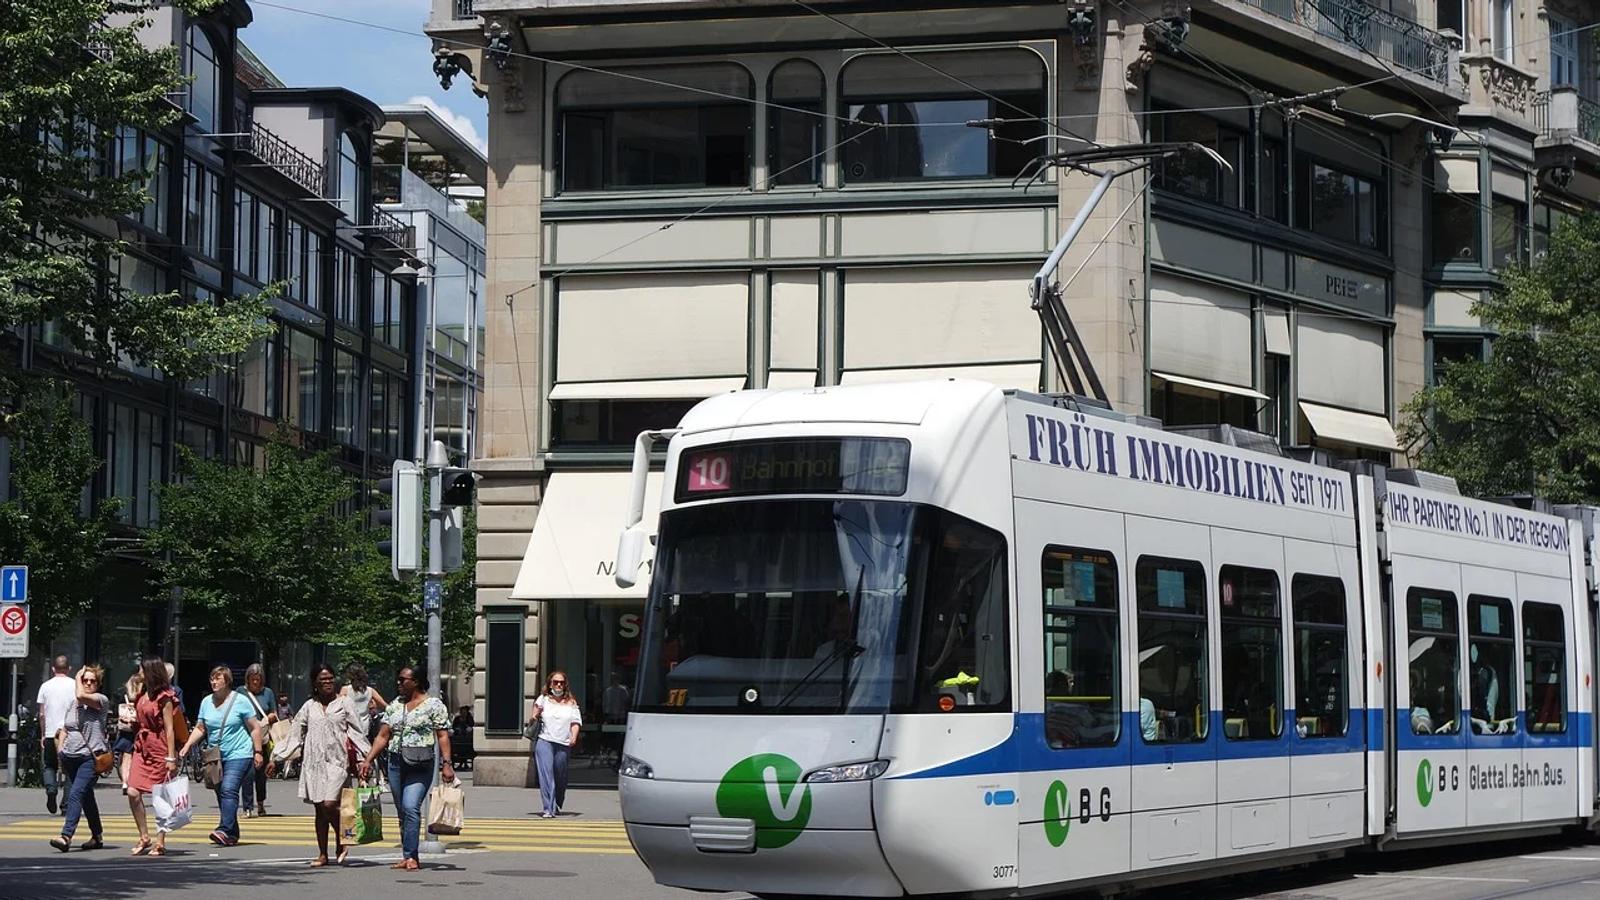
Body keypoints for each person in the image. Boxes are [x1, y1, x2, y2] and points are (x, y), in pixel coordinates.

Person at [267, 664, 370, 867]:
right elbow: (294, 735)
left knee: (329, 804)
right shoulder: (309, 706)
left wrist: (364, 758)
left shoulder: (344, 703)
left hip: (337, 762)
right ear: (315, 683)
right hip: (314, 764)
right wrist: (275, 758)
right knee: (319, 810)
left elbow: (357, 733)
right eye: (323, 680)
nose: (328, 683)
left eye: (330, 678)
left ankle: (344, 837)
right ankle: (323, 854)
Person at [359, 664, 454, 871]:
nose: (399, 683)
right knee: (402, 810)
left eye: (403, 680)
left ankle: (411, 856)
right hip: (395, 763)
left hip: (420, 764)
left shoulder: (433, 705)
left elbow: (443, 735)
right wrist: (368, 760)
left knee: (411, 807)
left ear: (416, 682)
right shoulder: (395, 704)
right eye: (399, 679)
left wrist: (447, 764)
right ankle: (407, 855)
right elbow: (383, 736)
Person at [177, 666, 264, 846]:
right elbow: (201, 727)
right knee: (221, 792)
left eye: (218, 679)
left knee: (228, 789)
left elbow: (255, 728)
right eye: (212, 678)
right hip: (216, 756)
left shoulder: (241, 701)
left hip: (240, 753)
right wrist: (187, 745)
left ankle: (224, 829)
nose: (214, 682)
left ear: (227, 681)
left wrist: (258, 752)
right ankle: (231, 834)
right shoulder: (206, 702)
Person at [125, 656, 181, 857]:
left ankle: (160, 841)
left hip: (159, 748)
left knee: (160, 796)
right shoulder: (142, 694)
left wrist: (171, 758)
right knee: (132, 791)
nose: (139, 673)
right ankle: (144, 836)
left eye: (141, 669)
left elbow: (170, 729)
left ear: (150, 672)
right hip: (142, 748)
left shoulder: (164, 697)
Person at [51, 665, 108, 852]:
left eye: (92, 681)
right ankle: (97, 836)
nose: (88, 683)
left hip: (89, 758)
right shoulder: (73, 703)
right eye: (85, 680)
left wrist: (77, 678)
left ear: (98, 684)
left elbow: (81, 695)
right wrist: (60, 750)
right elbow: (65, 728)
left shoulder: (100, 701)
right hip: (70, 757)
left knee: (75, 794)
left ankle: (66, 836)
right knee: (86, 797)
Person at [527, 671, 582, 818]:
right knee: (546, 775)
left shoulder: (571, 702)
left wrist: (574, 736)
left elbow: (575, 722)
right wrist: (535, 716)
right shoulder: (543, 700)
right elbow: (533, 718)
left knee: (560, 776)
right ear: (550, 684)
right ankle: (548, 808)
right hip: (544, 741)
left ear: (565, 685)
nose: (558, 685)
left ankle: (557, 801)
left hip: (563, 744)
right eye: (555, 682)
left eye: (561, 682)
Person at [35, 655, 75, 815]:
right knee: (70, 770)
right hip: (70, 733)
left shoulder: (45, 686)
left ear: (53, 669)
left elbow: (42, 714)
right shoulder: (75, 685)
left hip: (51, 733)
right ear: (69, 669)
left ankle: (51, 790)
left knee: (49, 765)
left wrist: (43, 734)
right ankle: (66, 805)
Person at [239, 664, 277, 819]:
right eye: (253, 679)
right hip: (245, 737)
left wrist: (269, 718)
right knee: (248, 774)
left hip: (263, 737)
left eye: (258, 679)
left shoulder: (268, 693)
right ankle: (247, 807)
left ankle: (260, 804)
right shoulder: (241, 692)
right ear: (247, 679)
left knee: (261, 775)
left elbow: (274, 712)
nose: (255, 682)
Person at [339, 662, 387, 744]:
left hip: (348, 731)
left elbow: (338, 708)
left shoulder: (345, 690)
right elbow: (385, 706)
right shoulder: (370, 691)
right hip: (364, 730)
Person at [114, 670, 143, 794]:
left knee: (126, 756)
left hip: (126, 729)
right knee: (138, 756)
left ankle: (125, 782)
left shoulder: (122, 694)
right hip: (139, 729)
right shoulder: (143, 696)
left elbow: (115, 710)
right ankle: (134, 781)